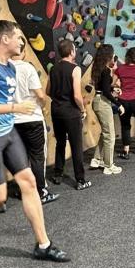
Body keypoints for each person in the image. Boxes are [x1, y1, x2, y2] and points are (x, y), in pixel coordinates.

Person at [0, 20, 69, 262]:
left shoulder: (12, 68)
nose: (22, 42)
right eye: (18, 37)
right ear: (4, 39)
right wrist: (15, 107)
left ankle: (43, 244)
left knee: (29, 182)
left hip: (8, 132)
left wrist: (16, 111)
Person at [11, 36, 60, 203]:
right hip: (32, 119)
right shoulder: (27, 68)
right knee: (38, 156)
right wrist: (42, 104)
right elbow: (40, 94)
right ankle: (40, 192)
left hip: (13, 121)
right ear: (24, 52)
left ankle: (22, 190)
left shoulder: (3, 69)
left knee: (21, 158)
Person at [48, 40, 91, 190]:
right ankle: (80, 180)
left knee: (60, 143)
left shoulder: (53, 68)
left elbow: (48, 91)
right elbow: (77, 96)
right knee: (76, 145)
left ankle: (58, 174)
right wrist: (83, 110)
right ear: (72, 52)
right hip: (71, 112)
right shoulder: (75, 69)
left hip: (56, 110)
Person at [88, 44, 124, 175]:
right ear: (108, 55)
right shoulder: (105, 70)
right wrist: (118, 104)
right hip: (103, 102)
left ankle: (97, 159)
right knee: (110, 135)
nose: (114, 57)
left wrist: (113, 89)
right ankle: (109, 165)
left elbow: (104, 87)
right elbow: (106, 92)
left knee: (105, 132)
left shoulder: (98, 68)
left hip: (98, 100)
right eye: (113, 55)